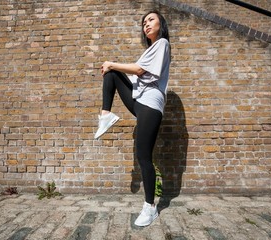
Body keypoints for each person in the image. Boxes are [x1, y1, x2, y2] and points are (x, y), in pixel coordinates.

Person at [94, 10, 171, 227]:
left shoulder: (162, 43)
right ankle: (106, 115)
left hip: (150, 105)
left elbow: (138, 70)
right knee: (111, 73)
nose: (146, 24)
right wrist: (111, 67)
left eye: (151, 20)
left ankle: (150, 207)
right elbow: (135, 75)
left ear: (161, 23)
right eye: (144, 22)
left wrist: (112, 63)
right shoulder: (150, 49)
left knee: (143, 157)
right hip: (139, 99)